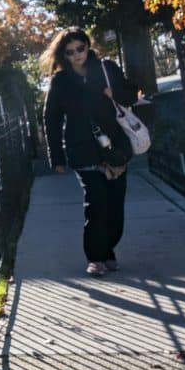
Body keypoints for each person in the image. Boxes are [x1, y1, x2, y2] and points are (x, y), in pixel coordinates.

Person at [41, 27, 138, 276]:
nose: (76, 55)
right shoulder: (61, 82)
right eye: (70, 51)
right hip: (82, 150)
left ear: (88, 46)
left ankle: (108, 251)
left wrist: (113, 93)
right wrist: (56, 157)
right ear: (64, 54)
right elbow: (51, 119)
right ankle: (95, 258)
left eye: (80, 48)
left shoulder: (107, 69)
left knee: (115, 206)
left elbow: (132, 95)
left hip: (115, 149)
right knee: (96, 204)